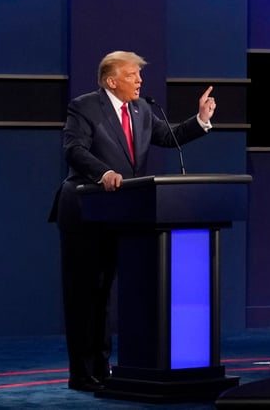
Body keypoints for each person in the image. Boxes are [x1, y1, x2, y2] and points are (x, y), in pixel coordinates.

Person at [47, 51, 217, 392]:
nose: (139, 81)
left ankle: (102, 367)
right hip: (85, 211)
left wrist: (199, 120)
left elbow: (168, 137)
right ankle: (81, 373)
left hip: (123, 213)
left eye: (139, 75)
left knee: (106, 292)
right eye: (132, 75)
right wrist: (103, 172)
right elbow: (74, 150)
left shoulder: (141, 110)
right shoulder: (84, 107)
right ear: (112, 81)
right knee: (84, 295)